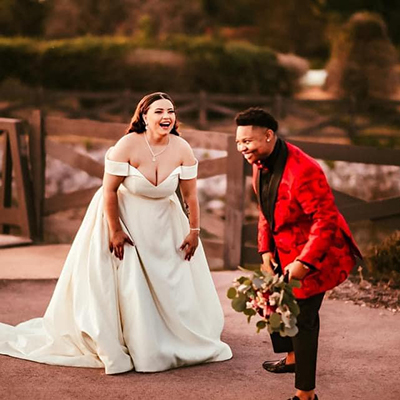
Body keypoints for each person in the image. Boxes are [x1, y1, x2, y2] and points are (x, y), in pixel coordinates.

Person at [0, 92, 232, 374]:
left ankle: (170, 334)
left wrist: (194, 230)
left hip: (165, 223)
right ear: (144, 116)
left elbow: (191, 195)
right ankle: (130, 339)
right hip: (123, 218)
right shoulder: (126, 145)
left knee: (172, 281)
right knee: (127, 281)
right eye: (158, 111)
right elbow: (109, 190)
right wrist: (115, 230)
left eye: (170, 111)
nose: (166, 116)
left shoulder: (182, 148)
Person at [235, 108, 361, 400]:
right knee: (274, 303)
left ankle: (306, 394)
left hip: (317, 253)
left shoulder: (304, 169)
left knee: (304, 319)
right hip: (282, 249)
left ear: (268, 136)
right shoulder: (260, 160)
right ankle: (291, 360)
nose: (242, 148)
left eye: (247, 142)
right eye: (238, 143)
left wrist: (304, 261)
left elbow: (326, 221)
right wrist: (265, 249)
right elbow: (265, 209)